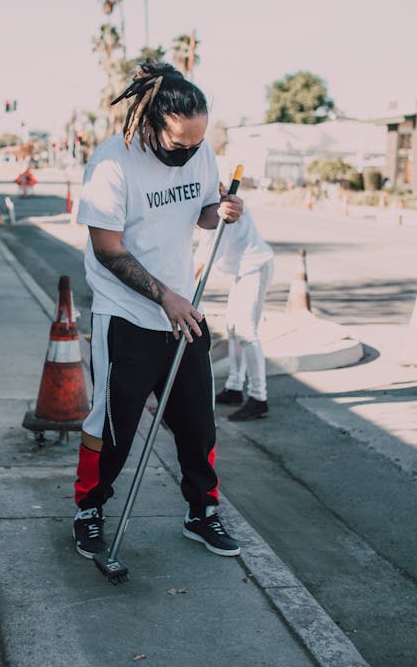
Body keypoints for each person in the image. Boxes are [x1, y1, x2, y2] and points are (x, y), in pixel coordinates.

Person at [73, 60, 244, 560]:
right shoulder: (112, 164)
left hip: (183, 314)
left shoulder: (200, 152)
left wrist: (223, 211)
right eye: (178, 145)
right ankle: (89, 509)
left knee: (198, 424)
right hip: (125, 314)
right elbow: (107, 248)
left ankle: (202, 512)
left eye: (197, 144)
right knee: (111, 428)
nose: (189, 153)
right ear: (149, 124)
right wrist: (163, 296)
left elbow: (204, 215)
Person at [194, 181, 275, 421]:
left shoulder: (223, 209)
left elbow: (204, 257)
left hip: (255, 267)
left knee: (246, 332)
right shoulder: (217, 206)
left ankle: (259, 399)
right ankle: (234, 388)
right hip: (243, 270)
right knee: (232, 328)